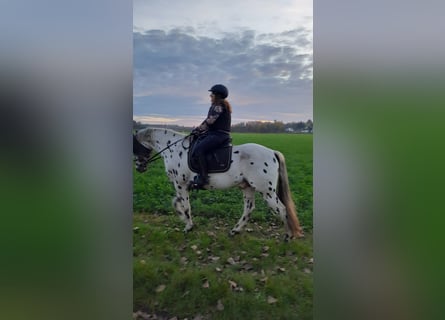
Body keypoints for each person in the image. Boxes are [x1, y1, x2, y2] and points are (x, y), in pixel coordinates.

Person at [190, 84, 232, 189]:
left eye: (212, 94)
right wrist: (199, 131)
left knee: (199, 150)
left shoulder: (218, 106)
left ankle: (203, 177)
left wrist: (197, 130)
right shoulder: (220, 105)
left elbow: (210, 121)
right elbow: (209, 122)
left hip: (219, 135)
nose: (210, 96)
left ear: (217, 95)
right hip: (216, 134)